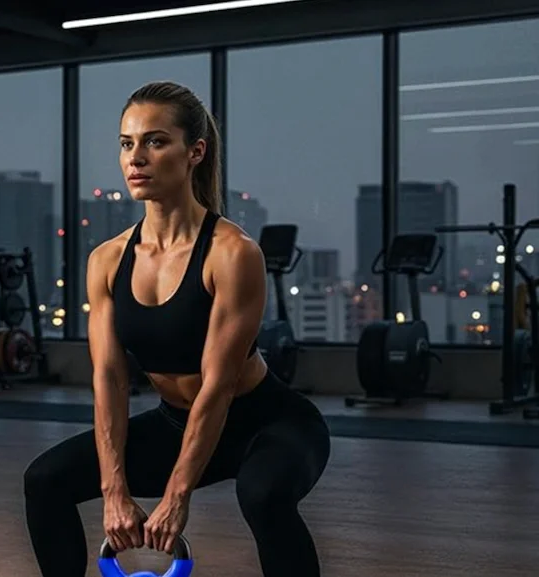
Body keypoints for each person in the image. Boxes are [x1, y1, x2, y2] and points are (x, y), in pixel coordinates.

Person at [22, 80, 331, 577]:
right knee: (44, 479)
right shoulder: (107, 260)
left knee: (264, 495)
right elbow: (109, 379)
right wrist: (113, 490)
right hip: (174, 422)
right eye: (127, 143)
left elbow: (218, 385)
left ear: (195, 152)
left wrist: (176, 496)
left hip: (266, 424)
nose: (136, 157)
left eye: (155, 141)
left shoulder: (232, 253)